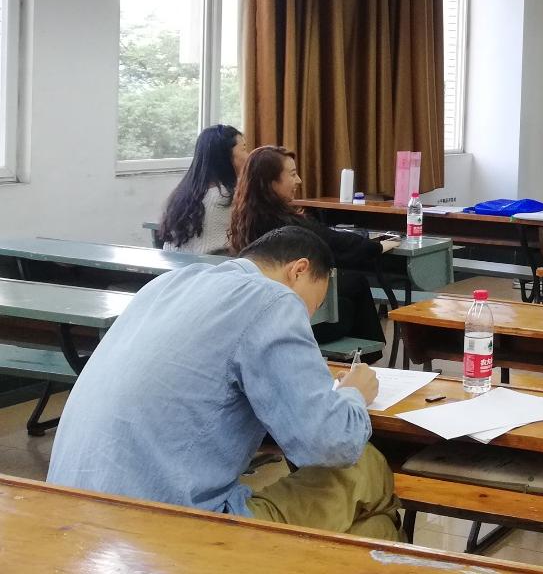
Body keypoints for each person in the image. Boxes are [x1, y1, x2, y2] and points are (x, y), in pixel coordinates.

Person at [48, 226, 401, 540]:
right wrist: (354, 393)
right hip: (169, 528)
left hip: (66, 512)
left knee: (370, 529)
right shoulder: (273, 299)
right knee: (367, 470)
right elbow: (328, 444)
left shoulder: (166, 285)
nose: (308, 318)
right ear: (298, 270)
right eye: (315, 304)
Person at [228, 145, 398, 345]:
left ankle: (368, 353)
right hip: (293, 315)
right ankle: (371, 352)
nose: (299, 180)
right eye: (292, 174)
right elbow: (335, 243)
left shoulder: (243, 217)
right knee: (353, 287)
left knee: (348, 288)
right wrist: (378, 246)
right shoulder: (287, 225)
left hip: (259, 309)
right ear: (270, 182)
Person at [158, 124, 250, 254]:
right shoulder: (228, 196)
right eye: (244, 149)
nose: (248, 156)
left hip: (174, 265)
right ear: (225, 156)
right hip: (210, 265)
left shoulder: (182, 194)